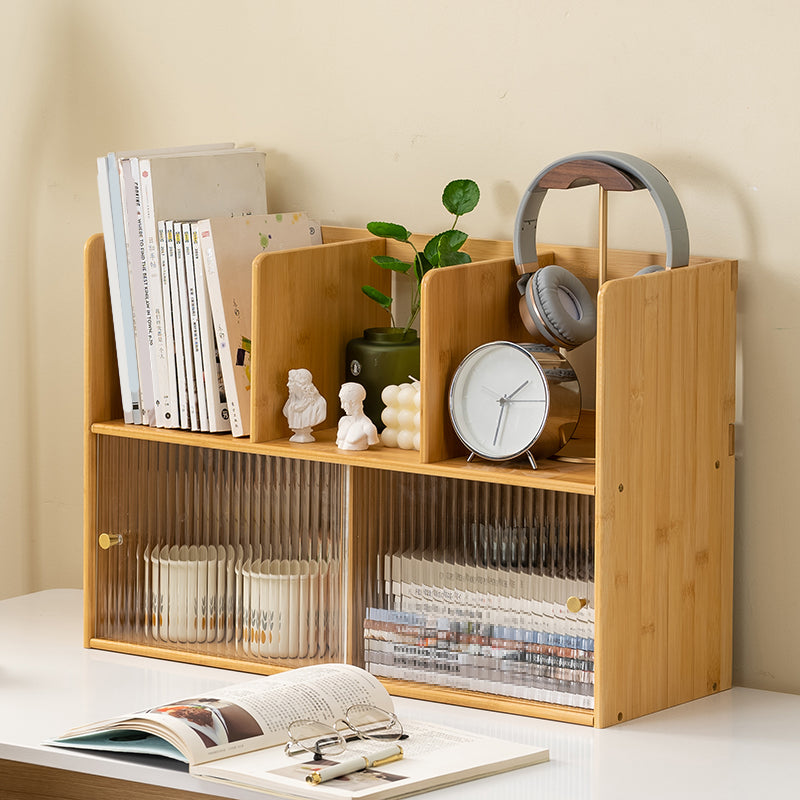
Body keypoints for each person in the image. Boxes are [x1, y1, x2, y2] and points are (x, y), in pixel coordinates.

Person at [283, 368, 327, 443]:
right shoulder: (290, 403)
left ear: (300, 384)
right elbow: (285, 411)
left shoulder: (319, 403)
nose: (287, 385)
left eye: (291, 382)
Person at [336, 382, 379, 451]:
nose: (342, 406)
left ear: (353, 402)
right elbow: (338, 442)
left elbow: (372, 443)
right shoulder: (343, 421)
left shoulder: (368, 428)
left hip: (357, 459)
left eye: (344, 402)